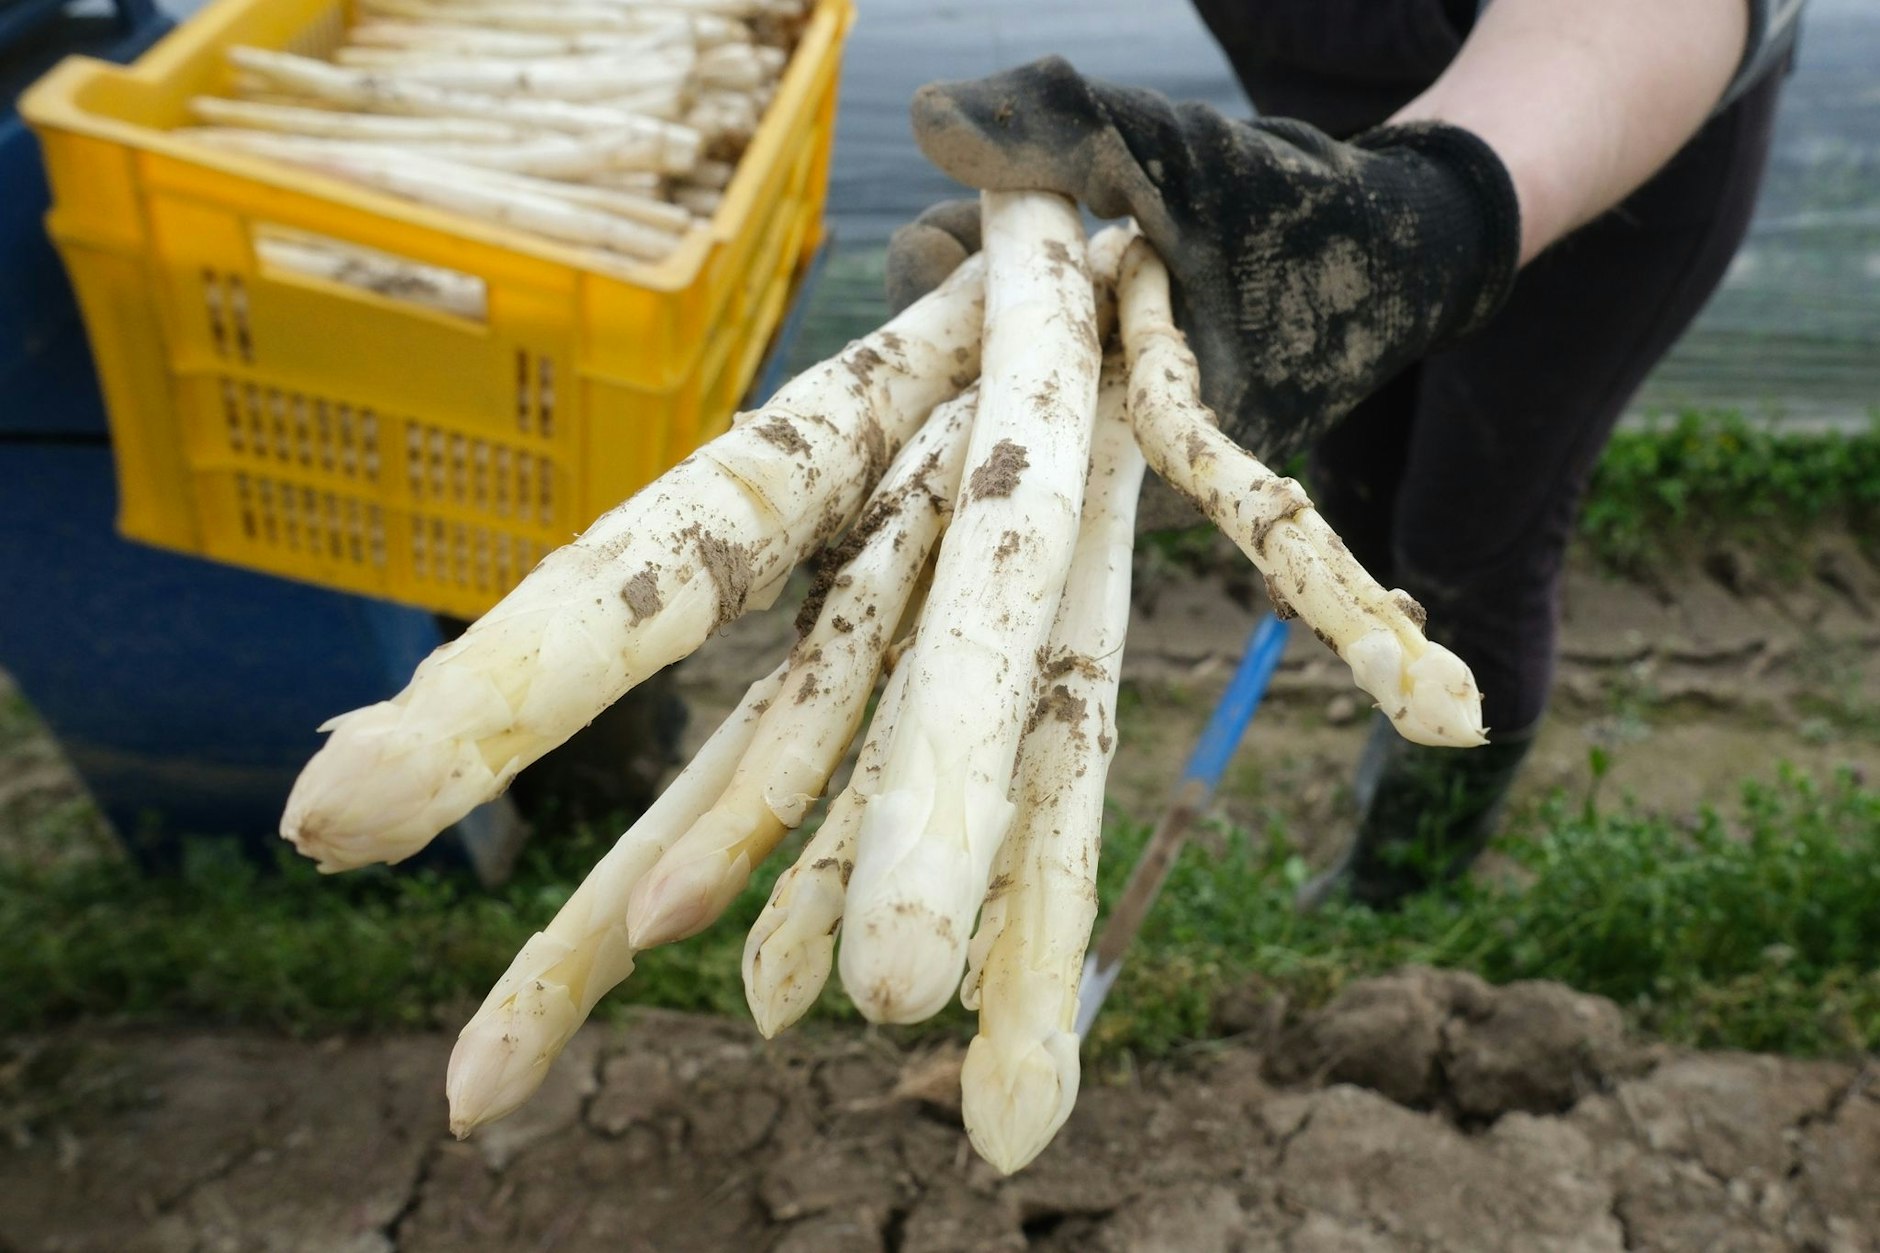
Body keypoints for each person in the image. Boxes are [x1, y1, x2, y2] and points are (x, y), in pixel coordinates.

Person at [881, 0, 1801, 910]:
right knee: (1358, 500)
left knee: (1469, 541)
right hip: (1336, 162)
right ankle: (1395, 752)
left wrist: (1428, 210)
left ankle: (1411, 865)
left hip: (1615, 119)